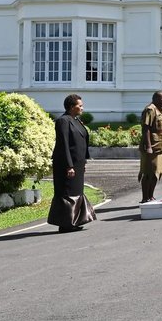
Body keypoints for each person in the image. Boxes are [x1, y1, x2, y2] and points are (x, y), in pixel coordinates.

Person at [48, 94, 95, 233]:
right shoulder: (63, 121)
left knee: (76, 192)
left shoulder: (76, 120)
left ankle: (73, 221)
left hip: (78, 164)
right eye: (79, 106)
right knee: (67, 193)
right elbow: (64, 144)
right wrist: (69, 165)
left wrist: (83, 162)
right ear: (71, 107)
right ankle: (65, 223)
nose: (82, 108)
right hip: (67, 164)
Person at [139, 91, 162, 203]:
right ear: (156, 99)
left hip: (161, 147)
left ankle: (151, 196)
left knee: (156, 172)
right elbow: (146, 129)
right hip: (153, 146)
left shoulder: (161, 110)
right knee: (148, 172)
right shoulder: (150, 109)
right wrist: (148, 146)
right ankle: (145, 197)